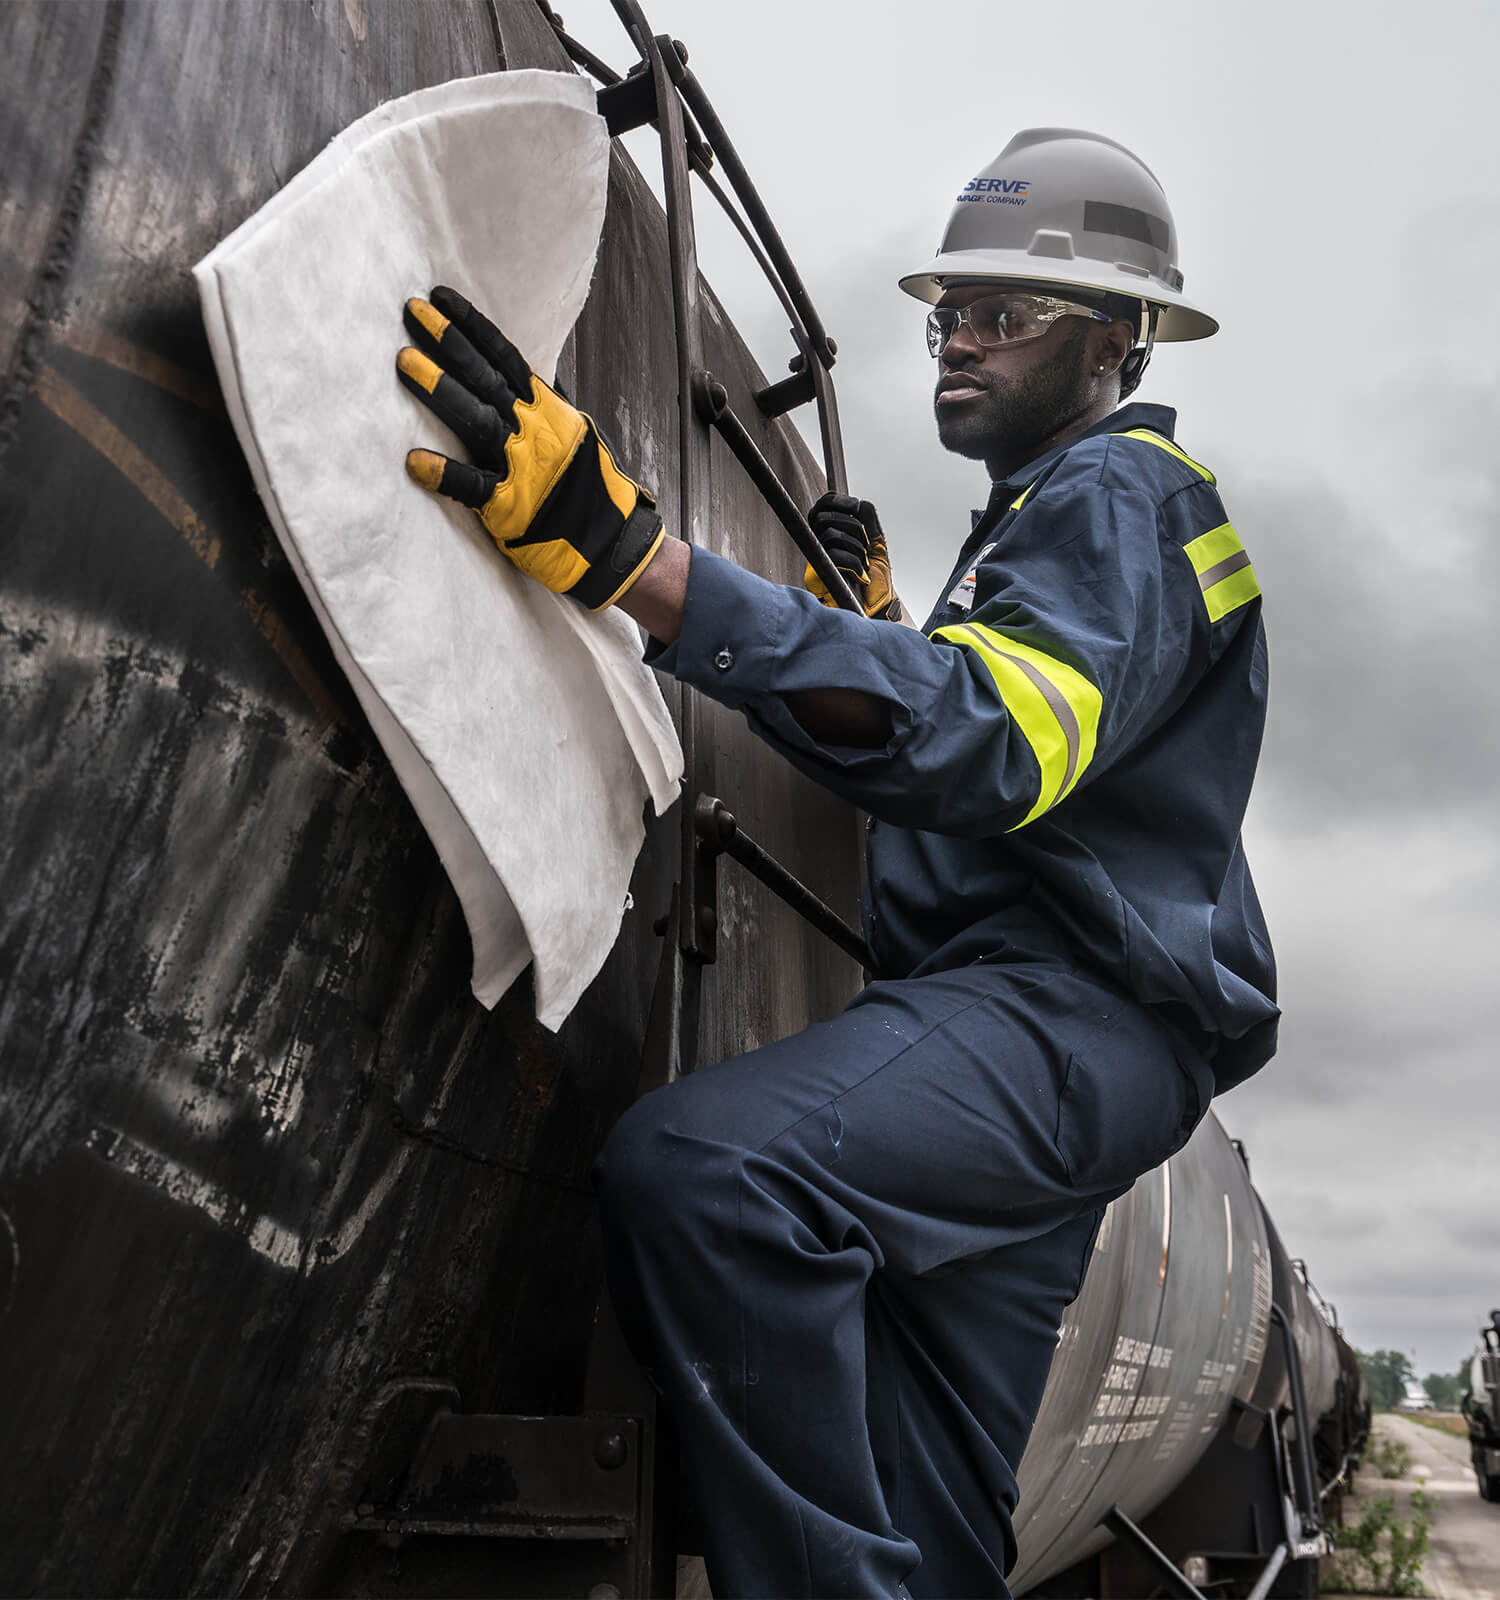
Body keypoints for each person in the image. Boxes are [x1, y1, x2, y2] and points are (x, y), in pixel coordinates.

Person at [396, 127, 1278, 1599]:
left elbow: (994, 739)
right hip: (1062, 1038)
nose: (960, 344)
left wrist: (639, 562)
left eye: (1006, 314)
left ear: (1115, 338)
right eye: (951, 315)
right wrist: (888, 631)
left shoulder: (1123, 495)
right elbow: (1014, 722)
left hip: (1059, 1015)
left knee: (708, 1174)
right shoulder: (1062, 513)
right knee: (930, 1507)